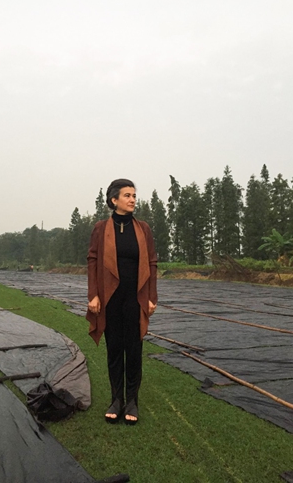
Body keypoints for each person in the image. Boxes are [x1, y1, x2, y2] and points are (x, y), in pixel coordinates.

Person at [86, 178, 158, 425]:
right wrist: (93, 295)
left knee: (134, 349)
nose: (132, 200)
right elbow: (93, 260)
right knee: (114, 349)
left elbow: (152, 263)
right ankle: (116, 400)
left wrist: (151, 297)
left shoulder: (143, 229)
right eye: (127, 196)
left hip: (135, 297)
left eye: (134, 196)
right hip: (111, 297)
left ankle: (132, 401)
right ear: (114, 200)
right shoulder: (101, 228)